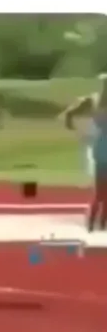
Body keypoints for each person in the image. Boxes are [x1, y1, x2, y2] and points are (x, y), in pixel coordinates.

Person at [59, 74, 107, 232]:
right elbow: (72, 111)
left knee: (100, 193)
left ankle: (94, 225)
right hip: (102, 151)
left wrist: (69, 120)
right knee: (102, 194)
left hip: (100, 151)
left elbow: (72, 111)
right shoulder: (94, 101)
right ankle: (99, 225)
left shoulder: (94, 100)